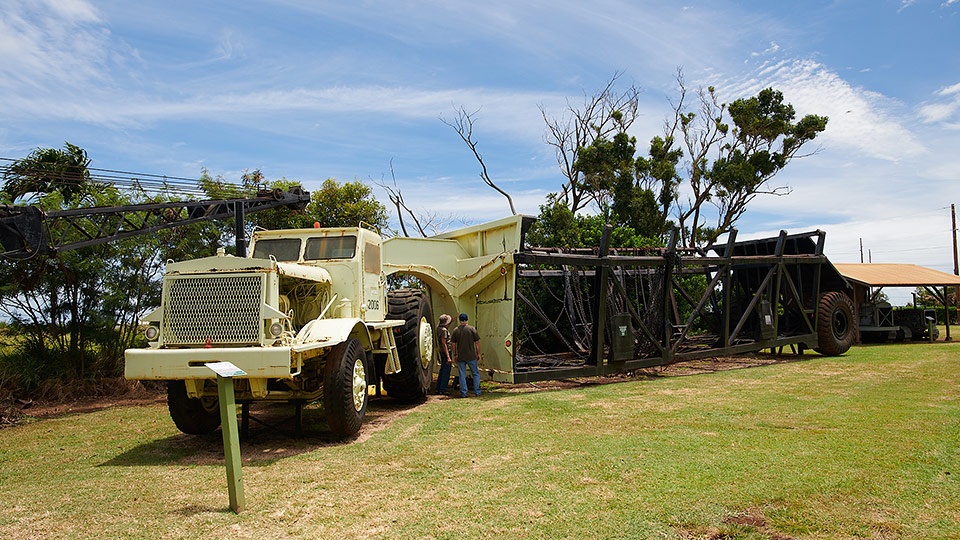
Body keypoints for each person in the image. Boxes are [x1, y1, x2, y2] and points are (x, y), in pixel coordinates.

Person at [451, 312, 481, 397]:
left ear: (459, 320)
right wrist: (478, 353)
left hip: (461, 356)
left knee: (462, 374)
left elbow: (453, 343)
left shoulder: (456, 330)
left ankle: (463, 392)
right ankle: (477, 391)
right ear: (467, 320)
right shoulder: (472, 329)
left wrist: (455, 354)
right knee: (475, 373)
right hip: (471, 355)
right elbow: (477, 343)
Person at [435, 314, 453, 395]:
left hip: (442, 352)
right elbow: (444, 343)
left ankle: (438, 387)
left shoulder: (438, 328)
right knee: (446, 370)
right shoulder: (444, 331)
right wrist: (448, 357)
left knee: (442, 369)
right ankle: (443, 389)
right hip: (446, 352)